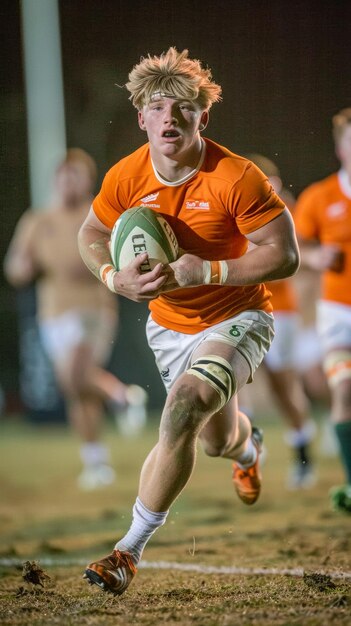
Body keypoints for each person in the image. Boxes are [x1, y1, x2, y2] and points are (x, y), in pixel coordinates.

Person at [77, 47, 300, 595]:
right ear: (142, 118)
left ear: (203, 116)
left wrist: (212, 269)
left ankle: (126, 552)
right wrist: (112, 278)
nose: (170, 118)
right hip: (171, 327)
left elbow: (285, 254)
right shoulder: (125, 176)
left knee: (181, 408)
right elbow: (90, 234)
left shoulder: (236, 176)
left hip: (239, 315)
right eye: (158, 107)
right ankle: (249, 449)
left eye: (183, 108)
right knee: (215, 440)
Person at [4, 148, 147, 491]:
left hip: (93, 310)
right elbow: (14, 266)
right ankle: (97, 458)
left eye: (75, 175)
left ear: (87, 180)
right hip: (53, 313)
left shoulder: (98, 217)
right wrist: (22, 269)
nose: (68, 182)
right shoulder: (39, 220)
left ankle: (119, 400)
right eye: (63, 176)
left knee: (75, 374)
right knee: (76, 390)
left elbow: (122, 255)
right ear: (56, 181)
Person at [238, 154, 318, 490]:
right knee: (235, 379)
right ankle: (250, 444)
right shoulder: (233, 206)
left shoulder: (286, 208)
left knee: (282, 385)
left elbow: (303, 256)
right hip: (240, 306)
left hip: (278, 308)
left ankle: (302, 451)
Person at [294, 107, 351, 514]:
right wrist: (316, 258)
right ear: (340, 146)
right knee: (343, 388)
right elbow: (294, 248)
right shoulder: (319, 196)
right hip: (338, 314)